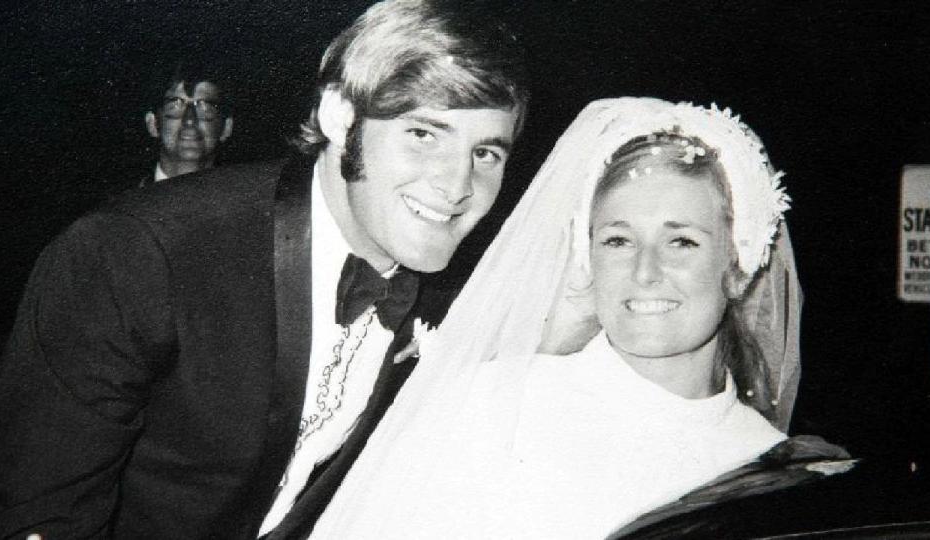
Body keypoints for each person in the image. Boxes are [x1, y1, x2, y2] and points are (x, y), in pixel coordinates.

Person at [0, 1, 528, 538]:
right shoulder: (140, 252)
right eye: (424, 134)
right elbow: (35, 512)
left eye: (486, 154)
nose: (457, 187)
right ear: (340, 117)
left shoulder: (456, 303)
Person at [308, 97, 814, 539]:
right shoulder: (499, 403)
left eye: (681, 241)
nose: (644, 271)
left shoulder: (771, 460)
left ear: (739, 265)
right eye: (618, 240)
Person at [142, 60, 234, 184]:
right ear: (152, 123)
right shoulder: (123, 200)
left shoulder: (250, 199)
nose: (190, 120)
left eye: (205, 107)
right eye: (175, 106)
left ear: (226, 127)